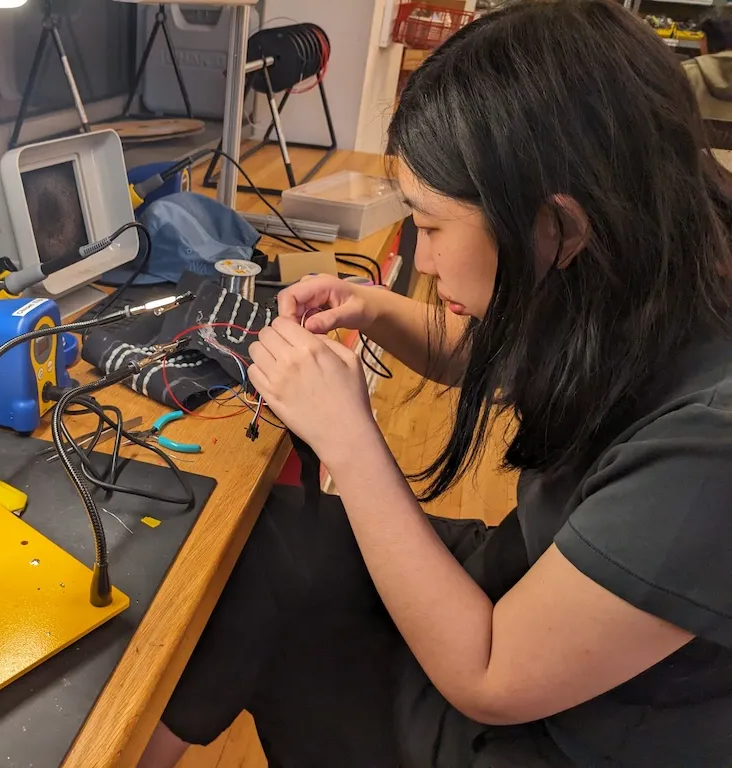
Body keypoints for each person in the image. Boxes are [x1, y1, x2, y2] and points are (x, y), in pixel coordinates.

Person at [136, 0, 732, 766]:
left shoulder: (711, 444)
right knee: (266, 547)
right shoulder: (644, 267)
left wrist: (349, 438)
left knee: (275, 592)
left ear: (560, 226)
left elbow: (491, 677)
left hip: (567, 731)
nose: (422, 260)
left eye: (432, 224)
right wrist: (374, 308)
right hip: (536, 591)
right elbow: (508, 358)